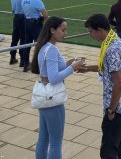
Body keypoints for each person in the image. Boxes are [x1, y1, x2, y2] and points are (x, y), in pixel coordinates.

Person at [31, 17, 85, 159]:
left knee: (43, 139)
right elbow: (54, 78)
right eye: (63, 30)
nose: (65, 33)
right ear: (52, 30)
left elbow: (50, 71)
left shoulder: (44, 47)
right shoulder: (52, 49)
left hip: (45, 98)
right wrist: (73, 67)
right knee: (55, 143)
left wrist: (69, 63)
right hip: (53, 100)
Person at [81, 14, 121, 159]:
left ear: (99, 30)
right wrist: (89, 68)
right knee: (117, 141)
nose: (90, 34)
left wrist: (111, 109)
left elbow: (119, 82)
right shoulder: (112, 40)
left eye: (91, 31)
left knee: (108, 149)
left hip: (118, 105)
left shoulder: (112, 49)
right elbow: (109, 68)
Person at [21, 0, 49, 72]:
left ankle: (26, 65)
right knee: (40, 45)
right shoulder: (37, 1)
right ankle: (37, 66)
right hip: (36, 24)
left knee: (27, 44)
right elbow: (45, 15)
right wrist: (42, 21)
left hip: (26, 22)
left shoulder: (24, 0)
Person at [10, 0, 28, 65]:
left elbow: (13, 9)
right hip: (22, 18)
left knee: (14, 38)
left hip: (16, 17)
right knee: (23, 39)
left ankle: (12, 57)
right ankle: (23, 61)